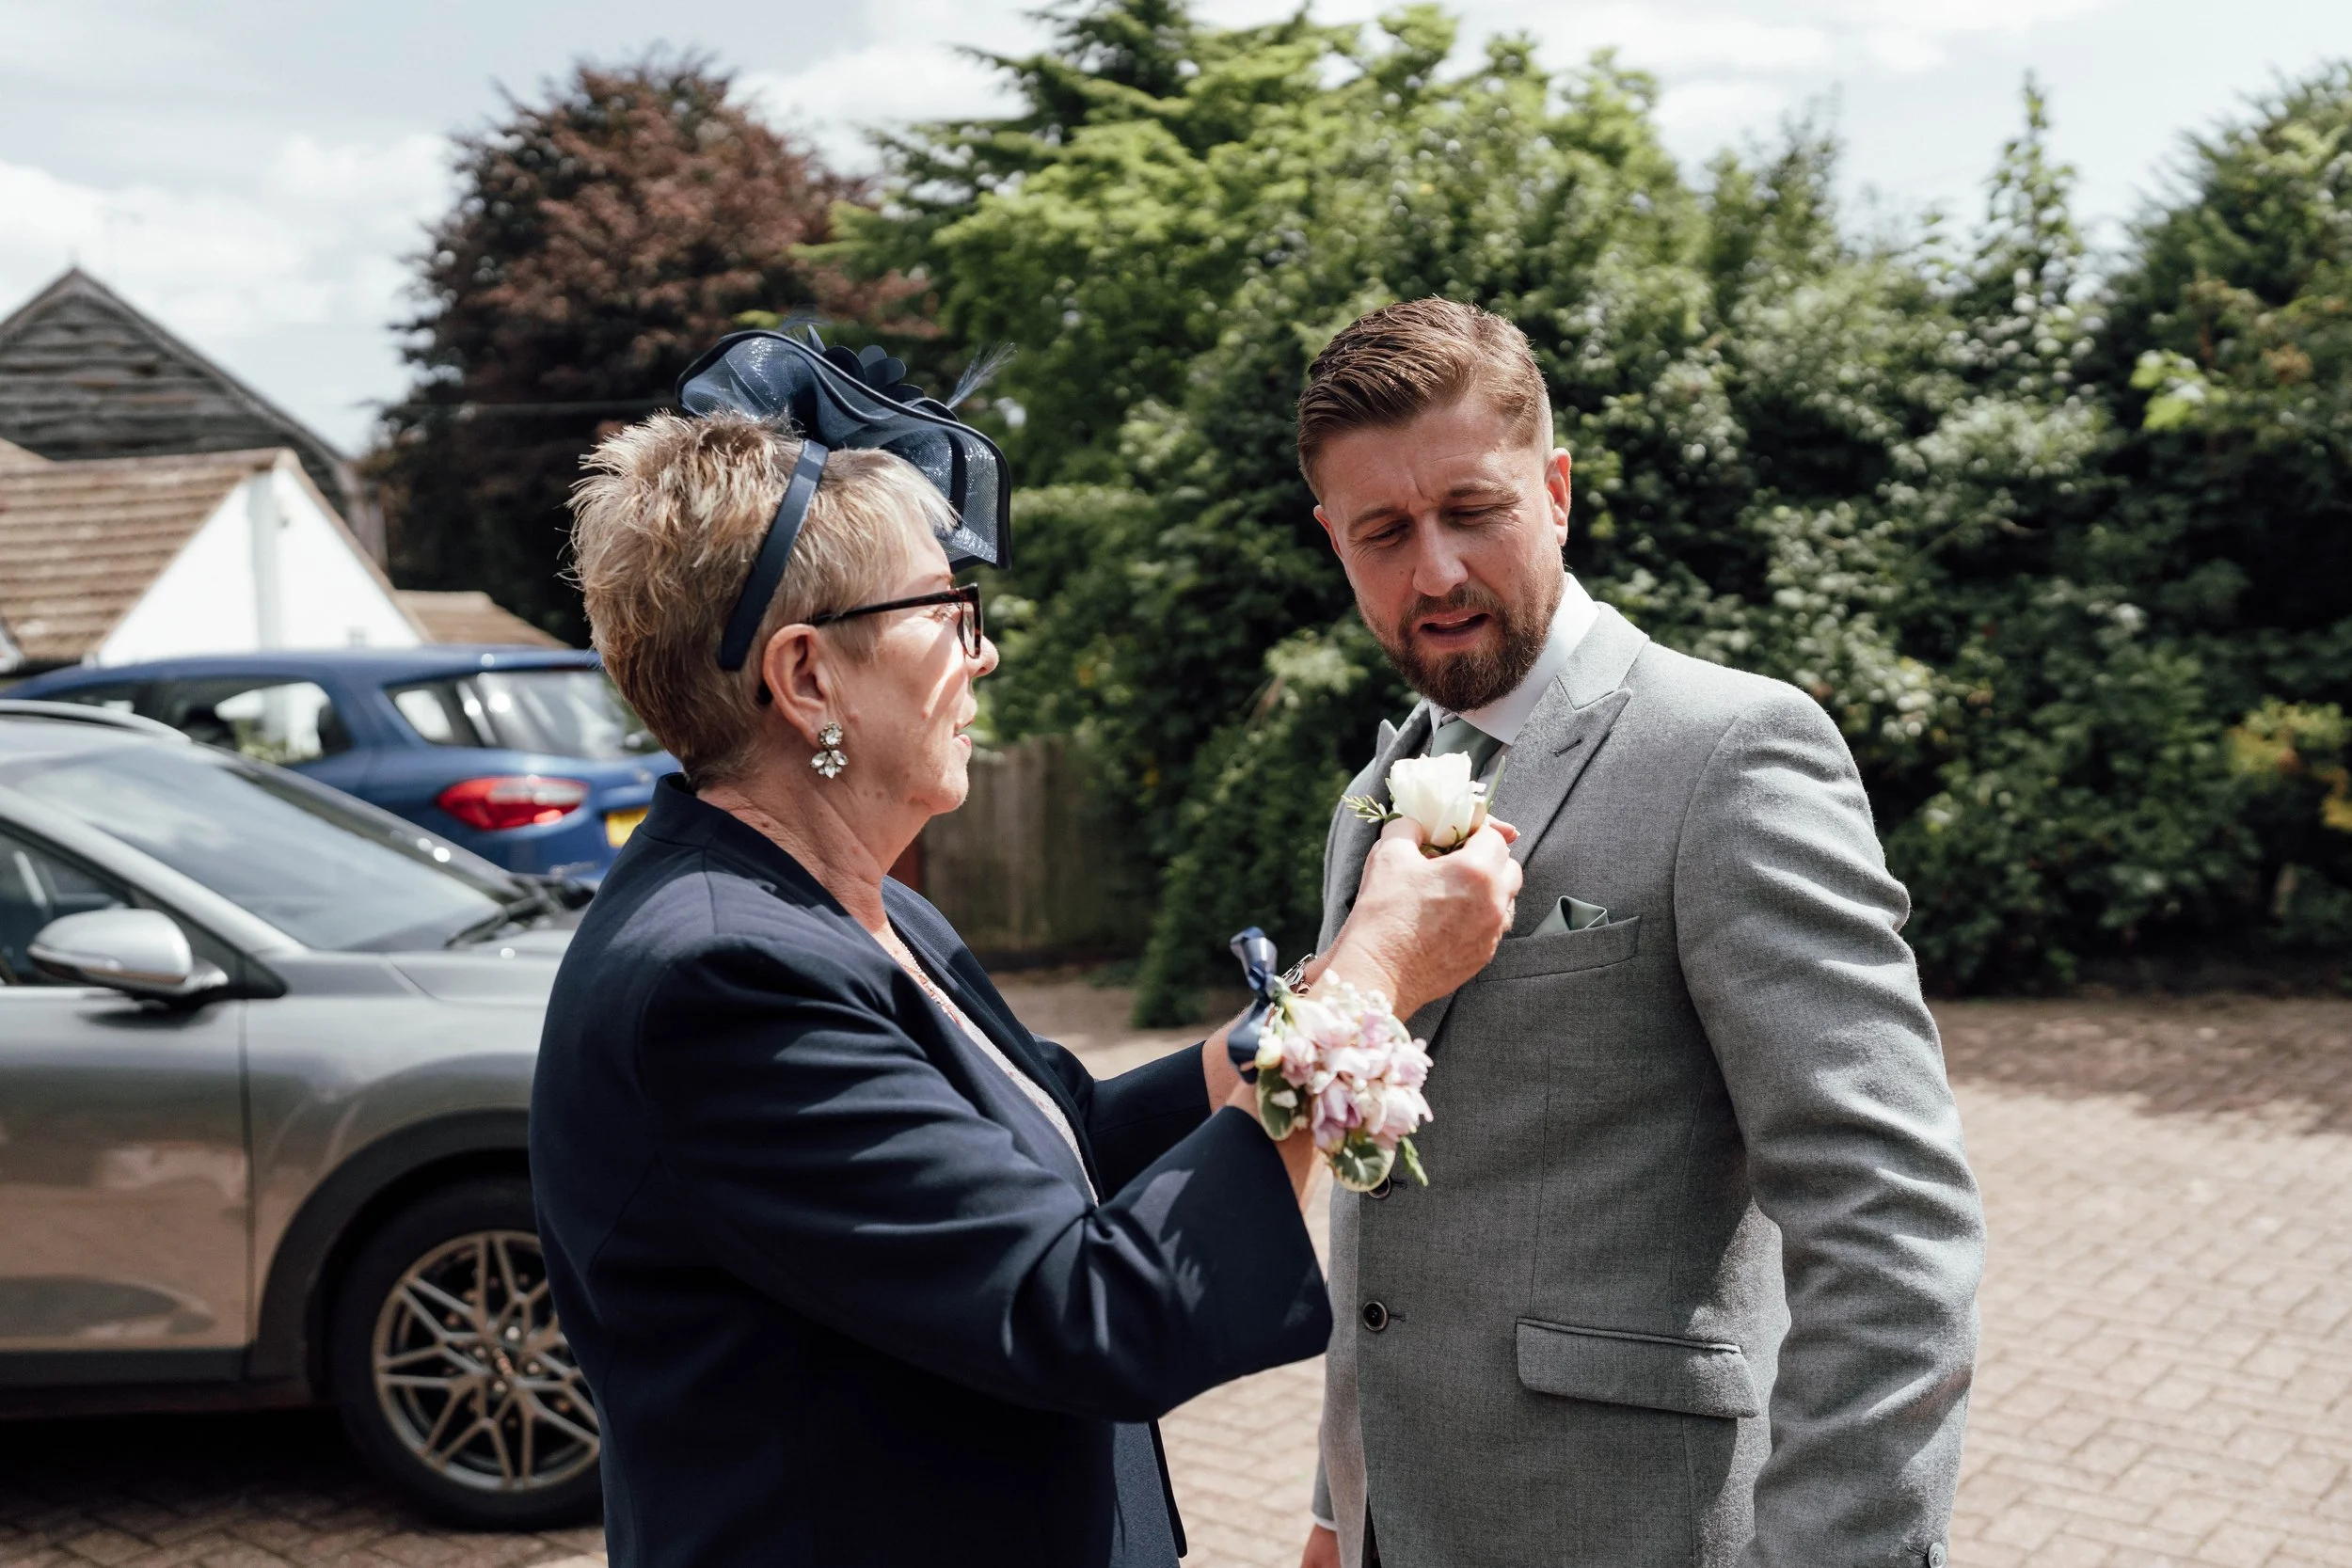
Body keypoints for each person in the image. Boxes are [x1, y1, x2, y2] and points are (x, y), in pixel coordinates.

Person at [529, 331, 1523, 1568]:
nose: (981, 650)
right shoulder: (723, 981)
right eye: (946, 611)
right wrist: (1370, 988)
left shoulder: (862, 909)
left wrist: (1304, 1005)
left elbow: (1078, 1141)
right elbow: (1087, 1310)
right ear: (806, 676)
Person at [1291, 299, 1987, 1568]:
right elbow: (1379, 1213)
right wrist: (1345, 1508)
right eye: (1385, 530)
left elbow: (1891, 1219)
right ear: (1333, 540)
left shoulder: (1730, 752)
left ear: (1555, 488)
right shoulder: (1377, 789)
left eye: (1473, 509)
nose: (1434, 570)